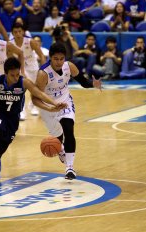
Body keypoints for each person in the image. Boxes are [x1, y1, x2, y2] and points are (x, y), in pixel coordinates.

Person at [0, 57, 67, 179]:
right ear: (5, 73)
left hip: (13, 117)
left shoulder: (24, 82)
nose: (16, 78)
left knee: (4, 143)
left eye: (17, 74)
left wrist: (54, 103)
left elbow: (39, 93)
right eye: (12, 75)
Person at [32, 42, 102, 180]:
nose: (59, 62)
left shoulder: (69, 66)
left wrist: (93, 83)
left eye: (61, 58)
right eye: (55, 59)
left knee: (68, 129)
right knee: (58, 138)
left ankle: (69, 168)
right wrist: (50, 108)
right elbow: (35, 99)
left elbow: (83, 81)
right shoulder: (43, 74)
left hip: (65, 103)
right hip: (48, 108)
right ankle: (61, 150)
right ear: (50, 58)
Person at [10, 23, 45, 119]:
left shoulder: (30, 41)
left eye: (19, 31)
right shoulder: (10, 44)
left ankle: (33, 106)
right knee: (19, 90)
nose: (17, 34)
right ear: (12, 33)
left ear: (23, 32)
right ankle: (21, 110)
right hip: (19, 68)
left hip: (32, 67)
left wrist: (43, 69)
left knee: (34, 89)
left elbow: (41, 55)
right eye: (15, 32)